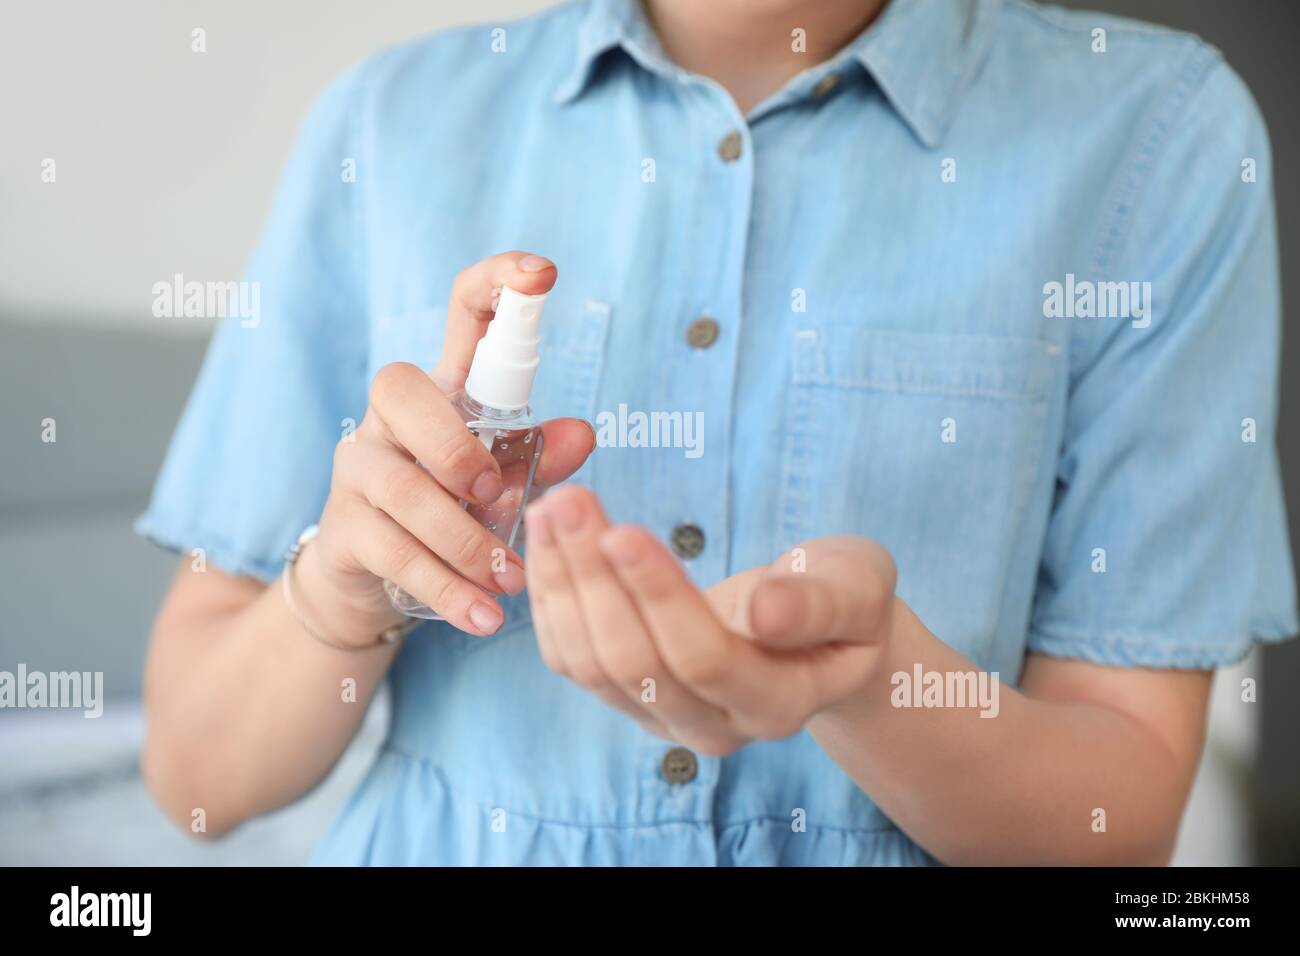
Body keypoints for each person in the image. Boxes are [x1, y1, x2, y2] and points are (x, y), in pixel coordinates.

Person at [138, 0, 1298, 865]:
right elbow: (196, 777)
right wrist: (346, 592)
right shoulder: (388, 126)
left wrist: (875, 681)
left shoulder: (1160, 141)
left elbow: (1122, 814)